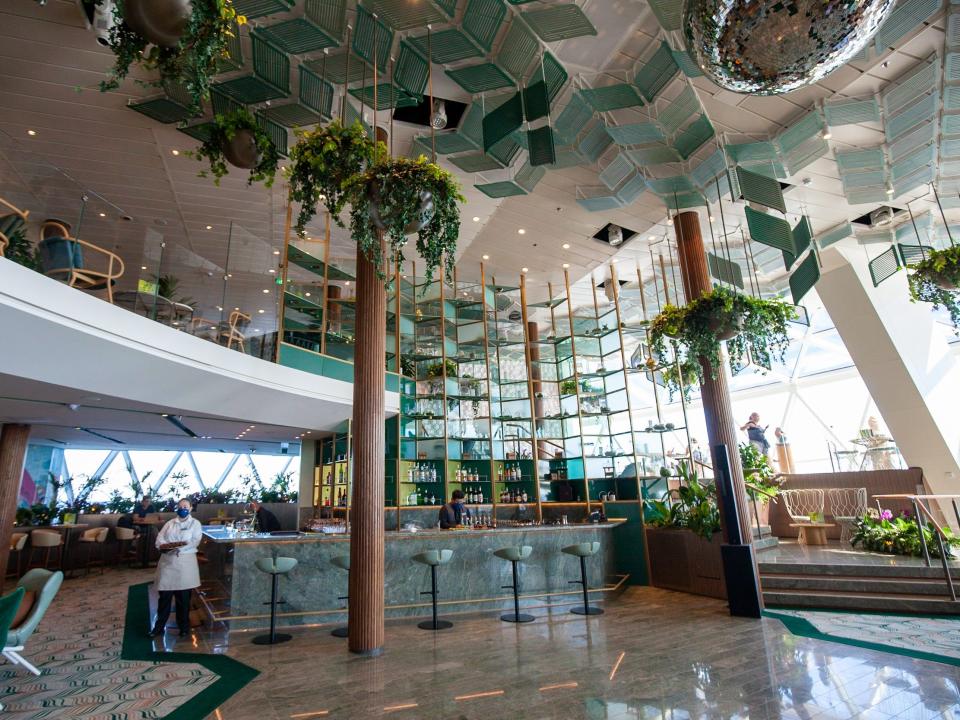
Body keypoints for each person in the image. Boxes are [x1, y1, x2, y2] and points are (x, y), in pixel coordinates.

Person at [149, 499, 202, 638]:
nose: (182, 508)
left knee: (183, 600)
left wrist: (178, 548)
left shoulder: (195, 524)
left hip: (185, 565)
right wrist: (167, 548)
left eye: (185, 506)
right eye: (180, 506)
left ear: (190, 508)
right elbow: (160, 539)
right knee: (164, 599)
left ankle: (184, 628)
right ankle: (158, 628)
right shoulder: (170, 523)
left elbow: (195, 541)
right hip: (168, 563)